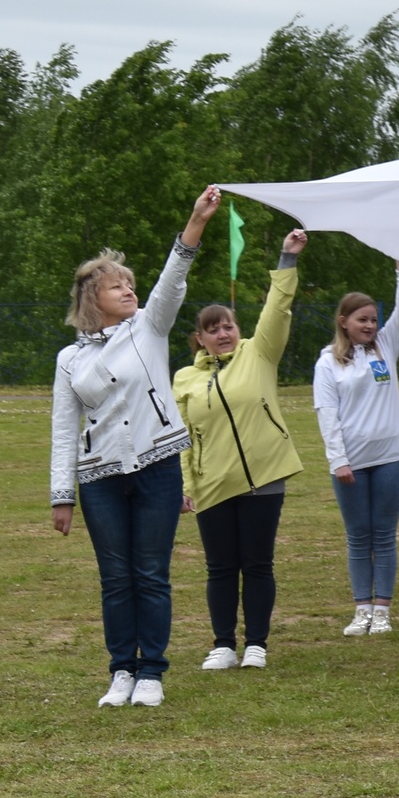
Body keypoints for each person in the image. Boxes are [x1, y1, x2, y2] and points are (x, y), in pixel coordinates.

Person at [52, 185, 223, 708]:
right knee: (115, 577)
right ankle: (120, 670)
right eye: (116, 286)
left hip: (157, 468)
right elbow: (63, 428)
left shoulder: (150, 326)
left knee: (150, 572)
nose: (129, 290)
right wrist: (63, 494)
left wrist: (196, 220)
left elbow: (173, 278)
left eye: (130, 283)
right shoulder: (68, 359)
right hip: (99, 477)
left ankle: (152, 671)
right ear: (91, 299)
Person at [173, 228, 309, 671]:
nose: (222, 333)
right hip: (213, 484)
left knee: (257, 563)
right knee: (219, 568)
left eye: (228, 325)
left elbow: (278, 308)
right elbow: (183, 439)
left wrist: (287, 259)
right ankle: (222, 644)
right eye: (212, 330)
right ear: (200, 339)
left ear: (238, 328)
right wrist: (185, 486)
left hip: (263, 478)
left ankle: (257, 644)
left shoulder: (260, 353)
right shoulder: (185, 380)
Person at [314, 261, 399, 635]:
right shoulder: (328, 362)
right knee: (359, 536)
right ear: (343, 321)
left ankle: (383, 610)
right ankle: (361, 609)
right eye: (362, 319)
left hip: (391, 456)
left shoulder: (385, 347)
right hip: (352, 463)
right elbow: (326, 413)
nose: (370, 325)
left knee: (384, 534)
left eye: (374, 319)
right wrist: (338, 460)